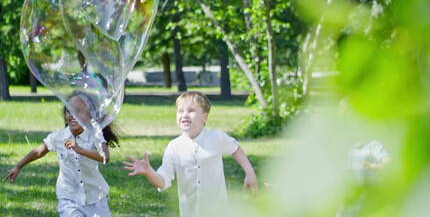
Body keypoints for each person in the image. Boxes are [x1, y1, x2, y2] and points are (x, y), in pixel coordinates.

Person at [123, 91, 257, 217]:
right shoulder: (174, 147)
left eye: (191, 110)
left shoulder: (216, 137)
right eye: (180, 111)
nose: (184, 114)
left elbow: (234, 148)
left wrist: (249, 171)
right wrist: (148, 171)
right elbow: (163, 182)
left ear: (204, 117)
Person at [3, 92, 119, 217]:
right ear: (64, 116)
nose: (73, 115)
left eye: (78, 111)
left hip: (96, 197)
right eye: (69, 111)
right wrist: (18, 166)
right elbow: (38, 151)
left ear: (89, 116)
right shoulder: (59, 137)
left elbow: (105, 157)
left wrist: (80, 150)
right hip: (69, 197)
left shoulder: (95, 135)